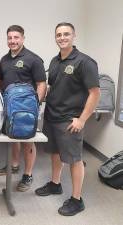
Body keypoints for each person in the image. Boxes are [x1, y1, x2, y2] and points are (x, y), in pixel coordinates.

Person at [35, 22, 100, 216]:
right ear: (55, 37)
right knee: (55, 153)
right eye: (59, 35)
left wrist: (82, 119)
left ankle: (77, 199)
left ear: (74, 36)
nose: (62, 38)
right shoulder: (55, 61)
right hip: (52, 115)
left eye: (66, 34)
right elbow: (52, 87)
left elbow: (95, 93)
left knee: (74, 159)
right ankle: (55, 184)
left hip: (70, 120)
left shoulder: (85, 62)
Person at [0, 25, 47, 192]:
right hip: (10, 107)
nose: (12, 41)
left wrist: (36, 105)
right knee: (13, 136)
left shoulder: (34, 59)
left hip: (28, 108)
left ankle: (28, 175)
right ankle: (15, 165)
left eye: (16, 37)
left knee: (28, 141)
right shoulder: (4, 59)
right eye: (10, 38)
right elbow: (1, 82)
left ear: (23, 38)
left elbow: (41, 84)